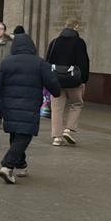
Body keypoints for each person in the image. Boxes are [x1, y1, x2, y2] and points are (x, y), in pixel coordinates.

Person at [0, 32, 64, 184]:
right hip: (30, 107)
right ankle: (7, 166)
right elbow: (54, 86)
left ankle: (21, 165)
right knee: (24, 136)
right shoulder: (40, 63)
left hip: (9, 107)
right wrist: (56, 92)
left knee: (16, 134)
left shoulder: (6, 63)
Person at [46, 17, 90, 146]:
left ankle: (57, 138)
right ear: (76, 27)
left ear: (65, 26)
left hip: (56, 81)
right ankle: (68, 129)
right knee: (76, 104)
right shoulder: (79, 42)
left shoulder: (54, 42)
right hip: (74, 81)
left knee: (57, 108)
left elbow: (48, 61)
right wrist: (84, 80)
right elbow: (84, 62)